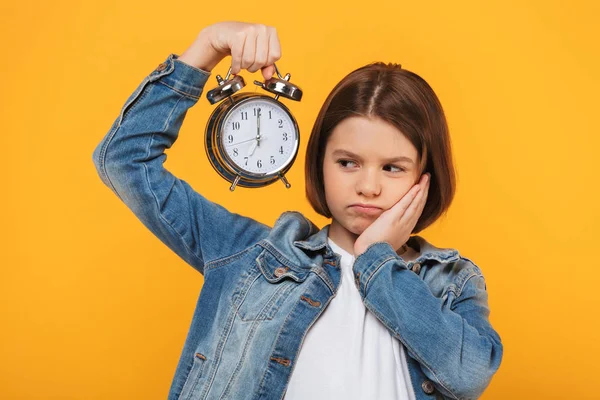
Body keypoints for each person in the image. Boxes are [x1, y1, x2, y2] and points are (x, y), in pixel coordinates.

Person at [92, 21, 503, 400]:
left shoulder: (450, 281)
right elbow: (124, 160)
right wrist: (208, 46)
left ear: (425, 178)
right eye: (348, 162)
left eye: (392, 168)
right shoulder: (253, 254)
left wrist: (376, 258)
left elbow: (467, 376)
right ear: (318, 163)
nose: (368, 186)